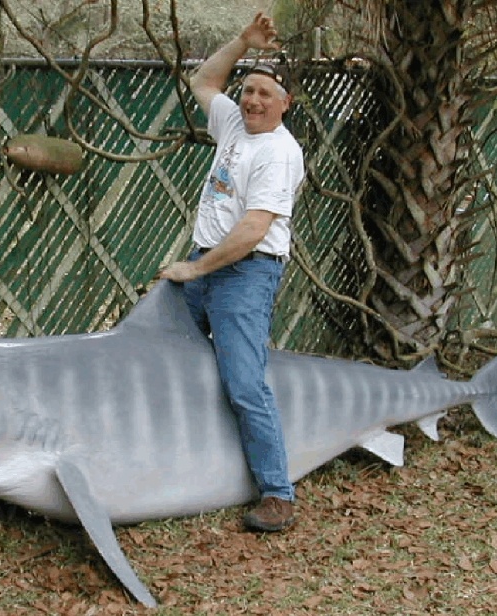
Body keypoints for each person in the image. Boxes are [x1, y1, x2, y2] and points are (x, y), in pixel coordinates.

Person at [160, 12, 305, 532]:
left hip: (245, 273)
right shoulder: (233, 125)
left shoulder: (279, 152)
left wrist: (194, 270)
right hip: (206, 264)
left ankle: (277, 493)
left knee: (245, 384)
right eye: (248, 90)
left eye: (266, 93)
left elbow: (251, 232)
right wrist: (242, 42)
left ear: (285, 104)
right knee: (163, 357)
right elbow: (203, 80)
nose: (253, 100)